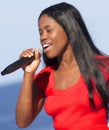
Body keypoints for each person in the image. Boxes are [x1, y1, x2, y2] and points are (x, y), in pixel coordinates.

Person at [15, 2, 109, 130]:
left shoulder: (103, 67)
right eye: (40, 32)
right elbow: (22, 121)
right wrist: (28, 73)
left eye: (49, 30)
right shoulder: (45, 77)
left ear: (69, 29)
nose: (43, 37)